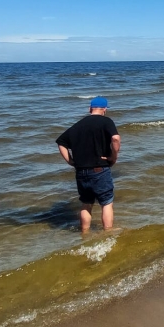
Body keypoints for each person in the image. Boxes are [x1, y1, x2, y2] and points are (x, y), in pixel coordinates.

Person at [56, 97, 121, 232]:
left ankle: (84, 233)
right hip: (100, 170)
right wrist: (113, 157)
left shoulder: (79, 125)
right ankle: (108, 232)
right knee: (106, 203)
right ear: (105, 109)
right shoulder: (106, 121)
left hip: (81, 171)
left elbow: (61, 142)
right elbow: (115, 138)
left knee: (86, 203)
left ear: (90, 109)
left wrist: (70, 161)